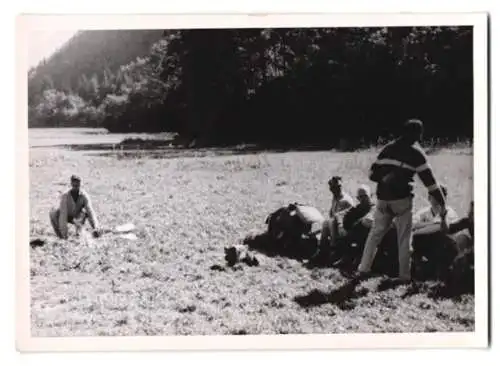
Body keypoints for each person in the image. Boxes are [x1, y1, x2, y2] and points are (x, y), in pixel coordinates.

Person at [352, 119, 450, 284]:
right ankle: (404, 276)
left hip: (383, 200)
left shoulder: (387, 149)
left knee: (375, 235)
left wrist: (384, 178)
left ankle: (363, 269)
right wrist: (443, 205)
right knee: (404, 238)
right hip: (402, 201)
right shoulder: (416, 154)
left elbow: (371, 174)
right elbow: (431, 184)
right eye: (419, 133)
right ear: (416, 134)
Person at [307, 176, 354, 265]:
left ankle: (333, 251)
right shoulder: (335, 198)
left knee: (331, 222)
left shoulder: (346, 200)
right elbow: (331, 214)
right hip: (335, 226)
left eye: (338, 187)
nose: (336, 190)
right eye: (333, 188)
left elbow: (348, 218)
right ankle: (321, 250)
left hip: (344, 227)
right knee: (327, 222)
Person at [49, 175, 101, 239]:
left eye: (78, 186)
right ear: (71, 184)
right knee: (54, 214)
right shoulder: (65, 196)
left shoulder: (84, 195)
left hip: (76, 216)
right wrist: (65, 235)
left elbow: (90, 211)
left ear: (80, 185)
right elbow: (63, 215)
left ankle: (79, 234)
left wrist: (96, 227)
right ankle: (61, 236)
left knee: (84, 213)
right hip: (66, 215)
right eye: (74, 186)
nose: (76, 188)